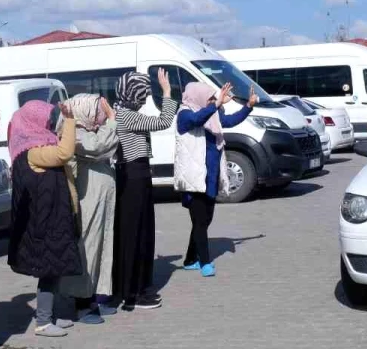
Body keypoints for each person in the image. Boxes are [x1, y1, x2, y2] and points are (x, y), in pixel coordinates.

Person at [7, 101, 82, 337]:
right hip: (45, 223)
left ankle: (50, 314)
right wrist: (70, 121)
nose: (50, 123)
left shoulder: (38, 143)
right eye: (48, 119)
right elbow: (64, 153)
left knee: (56, 266)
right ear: (33, 122)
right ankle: (43, 321)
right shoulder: (32, 151)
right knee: (49, 269)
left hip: (53, 218)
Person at [174, 82, 256, 276]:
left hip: (210, 176)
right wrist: (216, 104)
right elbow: (196, 119)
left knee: (204, 220)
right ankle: (205, 262)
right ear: (198, 96)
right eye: (209, 97)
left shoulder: (210, 113)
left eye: (213, 97)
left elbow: (228, 121)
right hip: (194, 179)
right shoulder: (185, 114)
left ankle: (190, 259)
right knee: (200, 221)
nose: (212, 100)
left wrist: (248, 106)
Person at [112, 69, 176, 311]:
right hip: (135, 176)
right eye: (144, 94)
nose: (145, 98)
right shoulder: (127, 116)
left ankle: (130, 287)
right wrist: (167, 92)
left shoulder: (121, 112)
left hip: (133, 175)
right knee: (137, 233)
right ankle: (135, 292)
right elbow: (163, 121)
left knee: (135, 232)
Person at [57, 94, 118, 320]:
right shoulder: (75, 133)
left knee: (99, 248)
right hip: (87, 201)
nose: (103, 116)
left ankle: (94, 297)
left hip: (98, 201)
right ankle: (82, 303)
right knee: (88, 248)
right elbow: (98, 146)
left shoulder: (87, 131)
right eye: (100, 111)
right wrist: (112, 121)